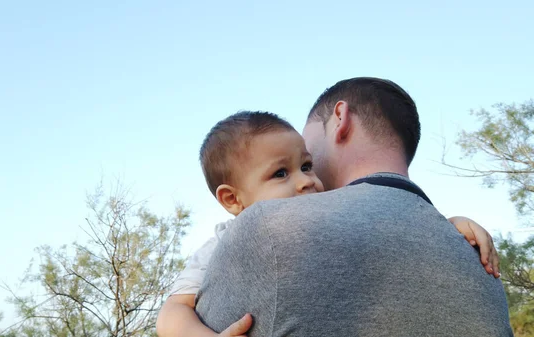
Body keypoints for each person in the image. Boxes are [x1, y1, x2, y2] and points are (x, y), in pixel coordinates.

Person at [193, 78, 514, 336]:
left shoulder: (267, 227)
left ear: (340, 118)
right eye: (280, 172)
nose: (305, 179)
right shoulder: (475, 254)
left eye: (306, 159)